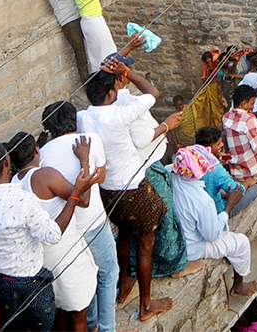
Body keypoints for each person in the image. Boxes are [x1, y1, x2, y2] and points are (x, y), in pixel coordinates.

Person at [79, 58, 179, 323]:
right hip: (132, 189)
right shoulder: (118, 114)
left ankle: (124, 284)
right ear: (112, 93)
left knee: (124, 233)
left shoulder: (84, 117)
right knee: (146, 243)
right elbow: (153, 93)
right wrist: (127, 72)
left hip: (108, 192)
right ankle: (145, 305)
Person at [0, 139, 96, 332]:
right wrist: (74, 194)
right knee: (42, 325)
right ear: (6, 162)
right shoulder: (21, 199)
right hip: (28, 282)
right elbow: (52, 235)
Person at [8, 132, 100, 332]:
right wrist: (84, 160)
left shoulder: (12, 184)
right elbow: (82, 199)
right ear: (36, 150)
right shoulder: (44, 175)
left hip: (41, 260)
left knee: (58, 314)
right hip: (65, 255)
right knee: (78, 315)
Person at [40, 102, 119, 332]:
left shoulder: (43, 154)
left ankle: (93, 323)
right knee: (108, 272)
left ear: (48, 127)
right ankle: (107, 327)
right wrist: (85, 177)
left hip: (66, 228)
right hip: (91, 221)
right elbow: (101, 176)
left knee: (87, 275)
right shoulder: (89, 140)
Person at [171, 144, 257, 297]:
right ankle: (238, 286)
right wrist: (228, 208)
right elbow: (211, 235)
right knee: (241, 243)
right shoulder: (203, 201)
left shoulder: (172, 175)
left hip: (176, 237)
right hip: (192, 247)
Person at [44, 0, 90, 81]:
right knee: (80, 52)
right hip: (68, 21)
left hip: (78, 16)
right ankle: (86, 83)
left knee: (89, 45)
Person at [223, 83, 257, 187]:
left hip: (236, 170)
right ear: (243, 103)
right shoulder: (249, 119)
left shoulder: (226, 117)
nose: (253, 107)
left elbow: (241, 119)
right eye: (252, 103)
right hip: (253, 171)